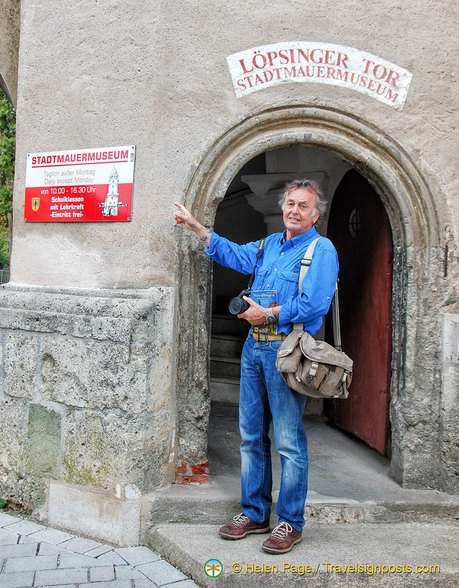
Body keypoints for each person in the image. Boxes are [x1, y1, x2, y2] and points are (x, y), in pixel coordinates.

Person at [174, 179, 338, 554]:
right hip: (253, 350)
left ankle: (290, 523)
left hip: (287, 350)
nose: (294, 211)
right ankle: (254, 513)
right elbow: (233, 254)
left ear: (316, 214)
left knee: (288, 441)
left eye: (303, 206)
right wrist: (197, 227)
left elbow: (314, 305)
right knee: (250, 437)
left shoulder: (321, 249)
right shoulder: (267, 246)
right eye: (290, 204)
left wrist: (270, 313)